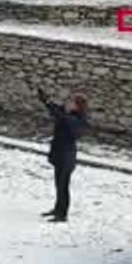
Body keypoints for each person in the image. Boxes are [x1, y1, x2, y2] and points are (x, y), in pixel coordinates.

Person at [37, 88, 90, 223]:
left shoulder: (78, 120)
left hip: (66, 158)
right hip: (59, 154)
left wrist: (60, 112)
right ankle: (57, 209)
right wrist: (46, 101)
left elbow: (61, 117)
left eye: (71, 101)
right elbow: (56, 110)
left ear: (77, 106)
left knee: (63, 187)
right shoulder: (67, 113)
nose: (67, 103)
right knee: (58, 185)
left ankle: (62, 215)